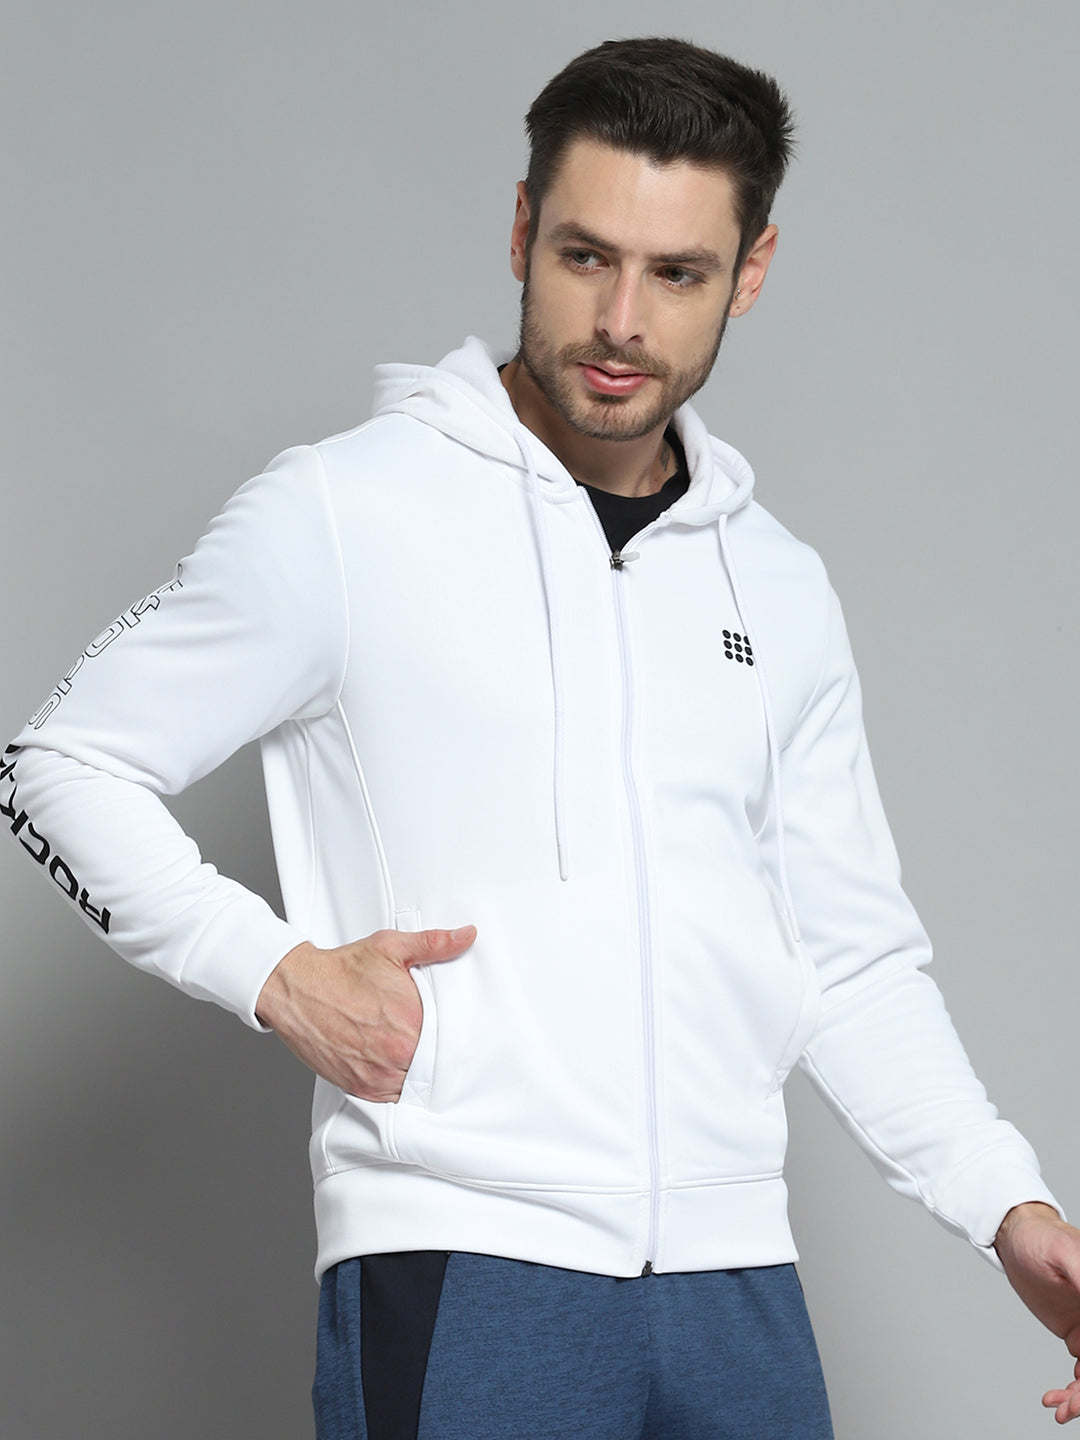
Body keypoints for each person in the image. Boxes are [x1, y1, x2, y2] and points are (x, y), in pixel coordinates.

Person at [6, 35, 1080, 1439]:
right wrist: (271, 970)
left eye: (677, 273)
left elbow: (850, 956)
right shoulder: (348, 511)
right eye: (585, 257)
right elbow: (57, 764)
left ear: (751, 271)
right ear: (521, 230)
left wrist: (1006, 1203)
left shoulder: (777, 583)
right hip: (467, 1263)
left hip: (738, 1285)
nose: (621, 320)